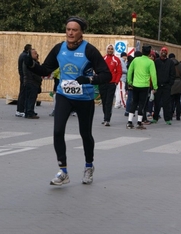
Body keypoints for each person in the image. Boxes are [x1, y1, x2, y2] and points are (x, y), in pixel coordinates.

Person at [25, 16, 111, 185]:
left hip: (84, 98)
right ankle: (63, 171)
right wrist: (32, 65)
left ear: (81, 32)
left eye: (74, 30)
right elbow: (46, 69)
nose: (70, 33)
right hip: (64, 95)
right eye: (68, 29)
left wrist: (89, 80)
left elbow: (106, 75)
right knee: (57, 131)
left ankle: (88, 166)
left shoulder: (89, 50)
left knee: (85, 134)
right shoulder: (59, 48)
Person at [126, 45, 158, 130]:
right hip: (145, 85)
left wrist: (129, 82)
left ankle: (129, 122)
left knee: (134, 102)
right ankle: (139, 122)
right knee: (142, 104)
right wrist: (155, 86)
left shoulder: (136, 60)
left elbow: (130, 71)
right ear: (149, 52)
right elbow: (153, 75)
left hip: (135, 84)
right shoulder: (150, 62)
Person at [99, 44, 122, 126]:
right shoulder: (102, 58)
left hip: (112, 83)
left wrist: (116, 81)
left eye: (111, 49)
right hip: (102, 83)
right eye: (108, 49)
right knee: (104, 101)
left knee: (109, 101)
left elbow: (119, 72)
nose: (110, 50)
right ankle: (105, 116)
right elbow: (98, 70)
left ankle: (107, 119)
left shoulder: (116, 60)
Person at [151, 46, 175, 125]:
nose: (163, 52)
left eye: (165, 51)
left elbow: (172, 74)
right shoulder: (156, 61)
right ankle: (155, 118)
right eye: (162, 50)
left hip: (166, 86)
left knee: (166, 103)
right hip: (157, 85)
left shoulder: (170, 62)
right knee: (157, 103)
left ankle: (167, 119)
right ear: (160, 52)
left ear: (167, 52)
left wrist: (170, 83)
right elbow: (153, 73)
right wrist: (154, 84)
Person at [22, 48, 41, 119]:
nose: (37, 55)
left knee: (29, 98)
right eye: (35, 53)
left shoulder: (31, 62)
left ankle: (28, 111)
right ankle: (29, 112)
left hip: (29, 82)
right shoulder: (31, 63)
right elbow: (35, 74)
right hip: (32, 82)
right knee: (31, 98)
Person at [15, 44, 32, 117]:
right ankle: (20, 110)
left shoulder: (22, 55)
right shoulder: (25, 56)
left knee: (22, 93)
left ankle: (20, 109)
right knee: (23, 93)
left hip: (22, 76)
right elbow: (24, 68)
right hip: (24, 77)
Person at [168, 53, 181, 121]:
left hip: (171, 83)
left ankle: (171, 115)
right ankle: (178, 116)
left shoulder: (168, 64)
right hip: (179, 83)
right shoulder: (180, 65)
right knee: (178, 101)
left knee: (171, 101)